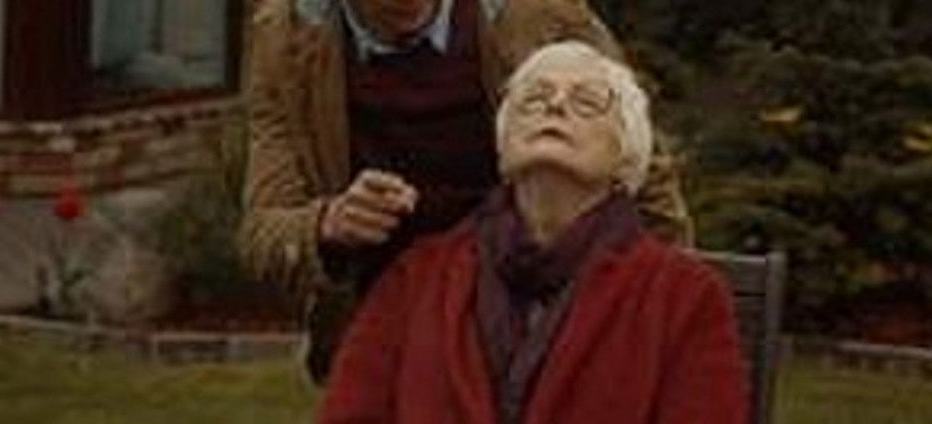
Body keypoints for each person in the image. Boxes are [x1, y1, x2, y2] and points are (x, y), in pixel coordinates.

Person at [239, 0, 692, 381]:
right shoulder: (286, 44)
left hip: (536, 316)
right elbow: (264, 230)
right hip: (389, 333)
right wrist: (327, 223)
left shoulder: (535, 11)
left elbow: (641, 163)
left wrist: (668, 318)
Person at [317, 41, 747, 424]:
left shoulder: (684, 296)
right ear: (504, 144)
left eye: (587, 102)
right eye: (533, 99)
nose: (554, 106)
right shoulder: (417, 277)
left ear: (627, 154)